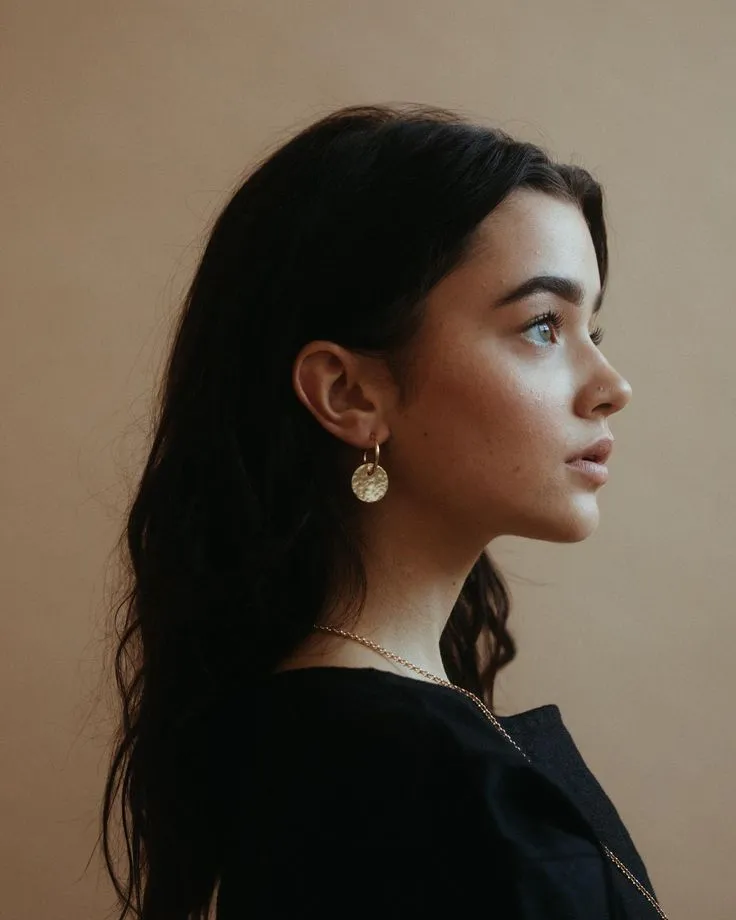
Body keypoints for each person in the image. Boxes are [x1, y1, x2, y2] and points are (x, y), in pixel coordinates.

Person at [101, 103, 667, 919]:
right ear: (350, 393)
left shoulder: (354, 744)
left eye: (594, 327)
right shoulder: (395, 779)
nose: (611, 384)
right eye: (543, 326)